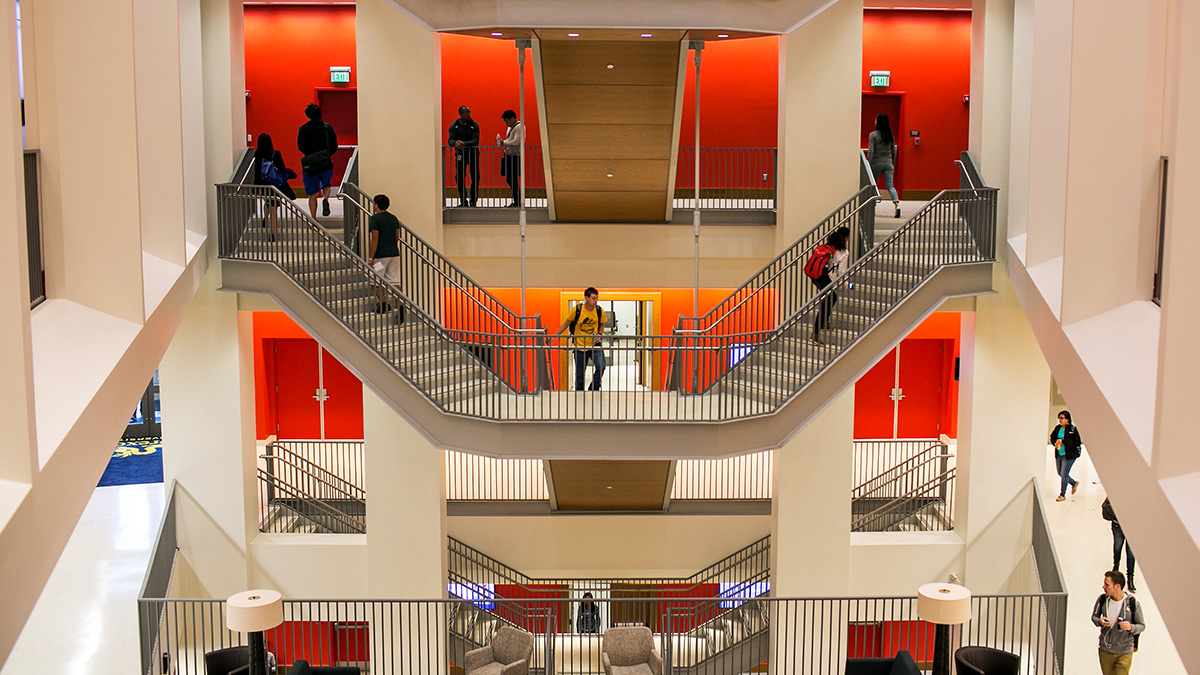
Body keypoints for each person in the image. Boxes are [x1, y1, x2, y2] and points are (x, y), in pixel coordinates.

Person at [1091, 571, 1144, 675]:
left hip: (1124, 652)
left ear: (1117, 586)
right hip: (1105, 650)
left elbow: (1141, 625)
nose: (1103, 587)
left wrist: (1130, 627)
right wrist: (1100, 621)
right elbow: (1094, 617)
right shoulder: (1103, 600)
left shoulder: (1132, 604)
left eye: (1107, 584)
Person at [556, 287, 606, 391]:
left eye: (597, 298)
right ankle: (579, 393)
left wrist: (600, 334)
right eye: (593, 298)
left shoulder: (599, 310)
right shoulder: (577, 310)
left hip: (594, 345)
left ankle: (594, 387)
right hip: (579, 346)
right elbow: (566, 324)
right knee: (580, 373)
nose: (595, 301)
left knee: (601, 366)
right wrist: (554, 336)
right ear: (586, 298)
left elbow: (602, 324)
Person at [367, 194, 405, 323]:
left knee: (374, 281)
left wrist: (371, 257)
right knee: (394, 281)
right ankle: (400, 305)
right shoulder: (393, 218)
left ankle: (383, 304)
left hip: (380, 257)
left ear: (376, 205)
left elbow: (375, 238)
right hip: (394, 254)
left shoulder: (375, 219)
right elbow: (396, 237)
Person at [297, 103, 339, 218]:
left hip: (310, 164)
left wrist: (310, 154)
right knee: (327, 184)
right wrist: (327, 154)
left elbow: (300, 146)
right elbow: (334, 145)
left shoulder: (304, 129)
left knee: (312, 193)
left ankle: (314, 218)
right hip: (325, 161)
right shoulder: (327, 128)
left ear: (308, 116)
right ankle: (325, 199)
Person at [251, 133, 295, 241]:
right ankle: (272, 233)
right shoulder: (275, 154)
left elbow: (257, 174)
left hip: (263, 184)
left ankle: (266, 218)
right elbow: (282, 169)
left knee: (267, 202)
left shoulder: (258, 155)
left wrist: (254, 189)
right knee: (273, 207)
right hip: (275, 185)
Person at [811, 230, 849, 344]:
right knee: (828, 300)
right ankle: (815, 334)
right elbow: (841, 271)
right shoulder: (843, 252)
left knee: (831, 298)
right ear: (845, 238)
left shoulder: (828, 246)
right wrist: (846, 285)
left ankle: (824, 323)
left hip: (816, 276)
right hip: (824, 278)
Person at [867, 112, 901, 218]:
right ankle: (897, 204)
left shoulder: (873, 135)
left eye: (876, 119)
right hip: (888, 162)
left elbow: (871, 151)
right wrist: (893, 163)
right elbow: (893, 151)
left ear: (878, 122)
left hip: (876, 162)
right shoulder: (890, 136)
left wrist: (868, 162)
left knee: (873, 186)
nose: (875, 121)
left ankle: (872, 209)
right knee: (890, 186)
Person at [448, 105, 480, 207]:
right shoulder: (455, 125)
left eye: (469, 112)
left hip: (472, 153)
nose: (469, 114)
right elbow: (450, 140)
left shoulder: (474, 125)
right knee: (459, 177)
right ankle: (463, 200)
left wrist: (464, 143)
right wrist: (456, 143)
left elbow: (476, 140)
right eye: (466, 112)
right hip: (460, 154)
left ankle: (473, 200)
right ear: (461, 114)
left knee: (475, 176)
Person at [1103, 497, 1136, 591]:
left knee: (1131, 553)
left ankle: (1130, 578)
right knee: (1117, 548)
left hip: (1132, 526)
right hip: (1118, 524)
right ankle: (1116, 567)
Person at [1051, 410, 1082, 501]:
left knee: (1064, 474)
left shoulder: (1073, 429)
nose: (1060, 420)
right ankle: (1073, 483)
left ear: (1067, 419)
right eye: (1059, 418)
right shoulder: (1057, 428)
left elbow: (1077, 442)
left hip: (1069, 455)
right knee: (1060, 473)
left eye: (1062, 418)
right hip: (1059, 454)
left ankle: (1062, 494)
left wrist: (1063, 442)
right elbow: (1052, 437)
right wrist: (1055, 443)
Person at [497, 109, 524, 208]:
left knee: (512, 179)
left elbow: (516, 141)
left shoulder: (520, 127)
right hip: (508, 155)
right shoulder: (511, 128)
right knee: (509, 178)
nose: (505, 123)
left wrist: (503, 142)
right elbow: (510, 140)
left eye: (506, 121)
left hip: (515, 156)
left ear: (512, 118)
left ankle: (517, 200)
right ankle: (516, 199)